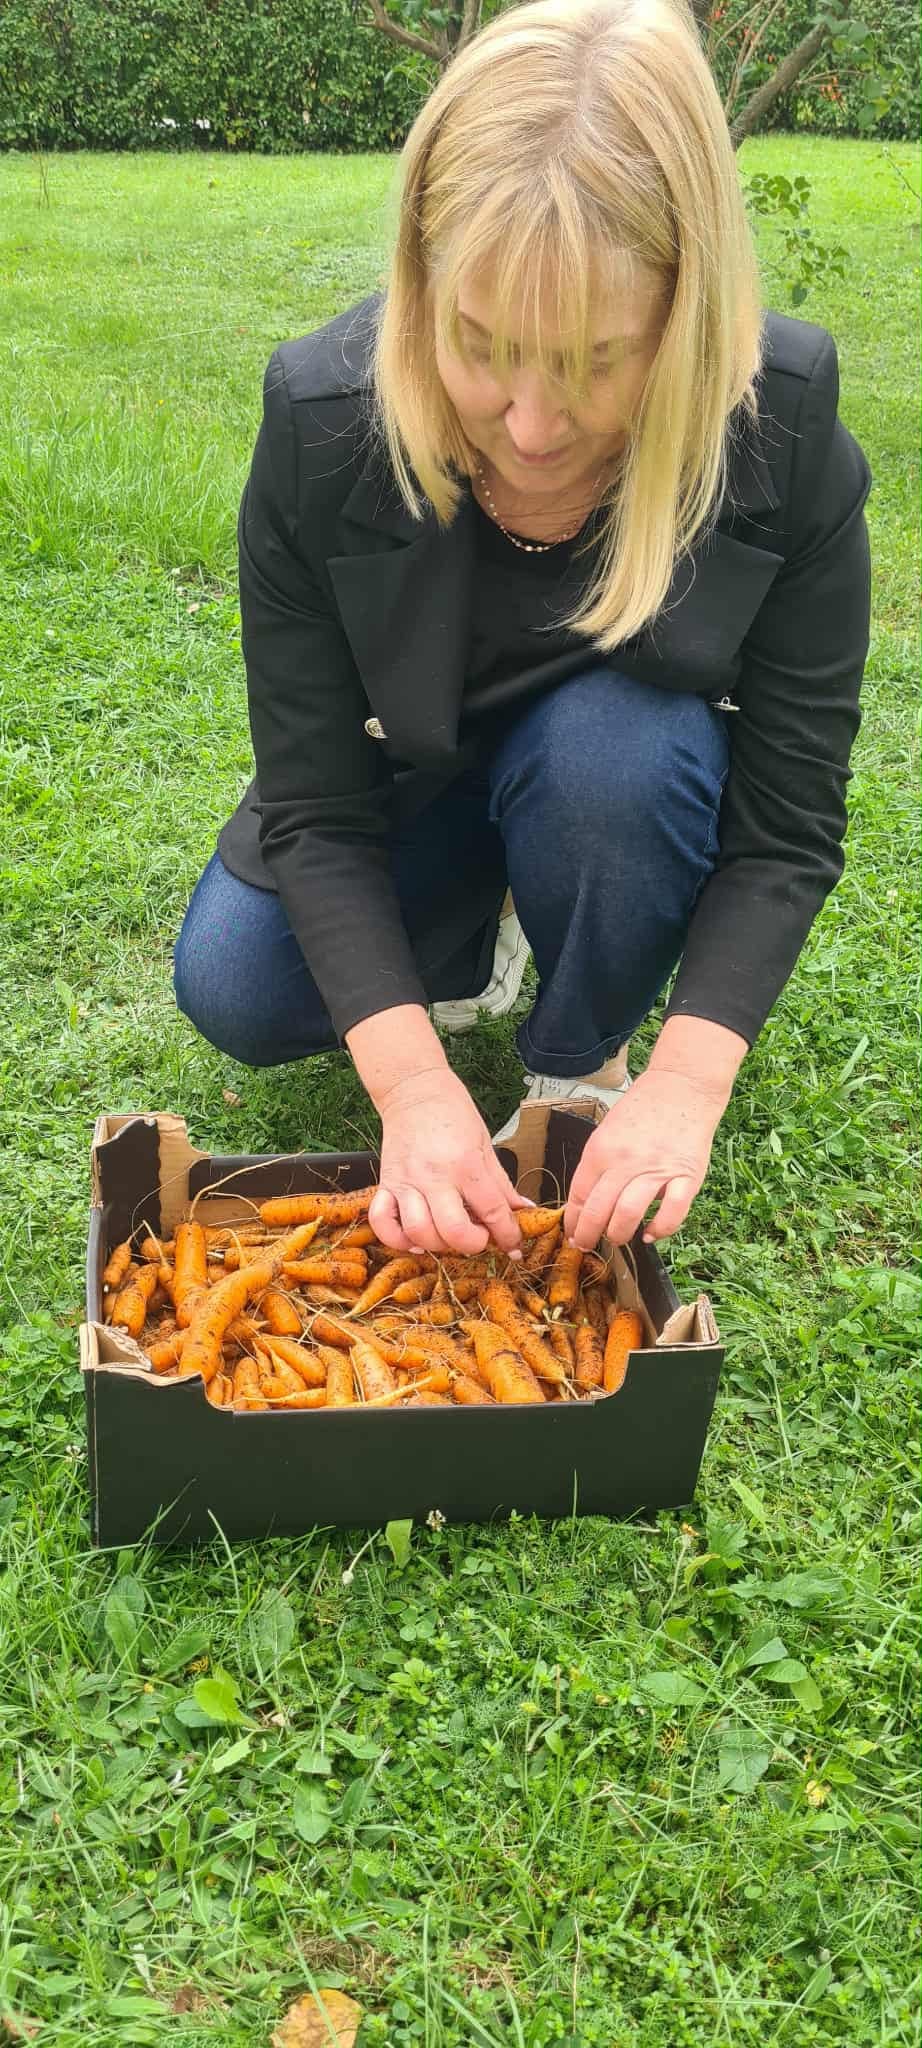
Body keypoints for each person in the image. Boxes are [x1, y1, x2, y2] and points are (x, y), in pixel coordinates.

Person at [174, 0, 871, 1263]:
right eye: (482, 347)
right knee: (239, 981)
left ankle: (578, 1045)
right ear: (420, 283)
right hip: (417, 769)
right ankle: (486, 925)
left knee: (615, 759)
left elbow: (787, 828)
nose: (534, 425)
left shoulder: (779, 428)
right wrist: (412, 1086)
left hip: (616, 772)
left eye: (596, 360)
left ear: (689, 309)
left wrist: (686, 1082)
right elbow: (316, 805)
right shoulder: (322, 420)